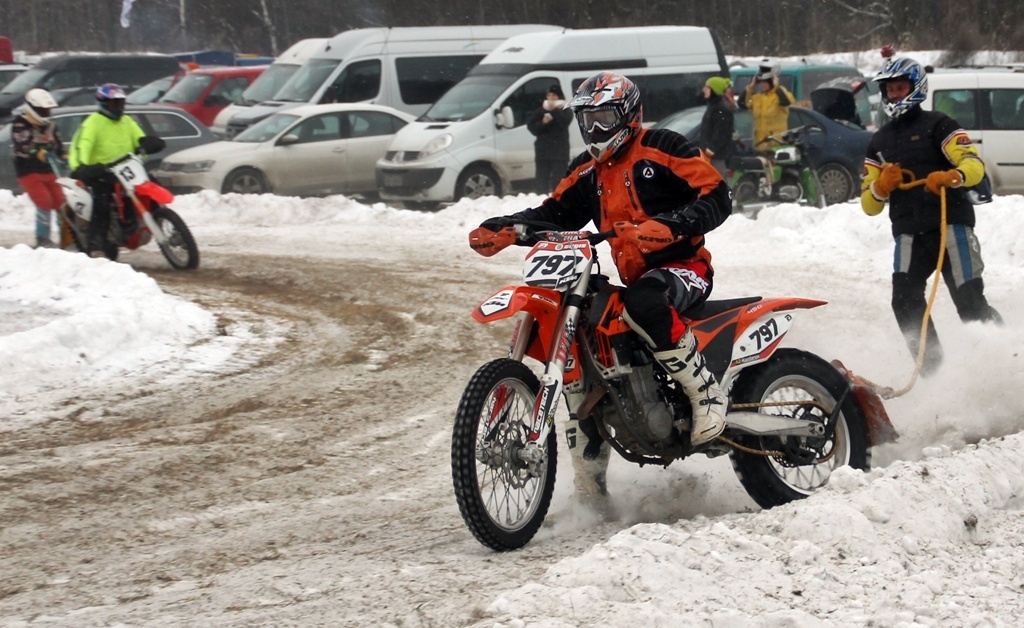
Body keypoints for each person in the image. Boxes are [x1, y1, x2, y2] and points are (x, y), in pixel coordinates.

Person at [469, 72, 733, 504]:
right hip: (635, 276)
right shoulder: (586, 171)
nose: (593, 130)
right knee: (587, 336)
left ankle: (707, 393)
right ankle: (590, 484)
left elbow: (717, 195)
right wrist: (506, 228)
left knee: (644, 299)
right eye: (586, 120)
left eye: (603, 118)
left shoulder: (664, 148)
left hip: (685, 267)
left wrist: (668, 227)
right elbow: (553, 212)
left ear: (629, 115)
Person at [861, 56, 1001, 376]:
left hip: (950, 225)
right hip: (909, 233)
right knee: (904, 301)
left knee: (969, 302)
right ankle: (934, 374)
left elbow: (973, 165)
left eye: (900, 87)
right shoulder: (878, 142)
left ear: (915, 87)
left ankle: (1005, 358)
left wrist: (952, 176)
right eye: (890, 89)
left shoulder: (940, 124)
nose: (895, 95)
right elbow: (869, 205)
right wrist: (881, 187)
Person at [68, 83, 164, 257]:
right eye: (114, 104)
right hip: (101, 171)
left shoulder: (127, 121)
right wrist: (83, 167)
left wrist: (149, 142)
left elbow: (139, 137)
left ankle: (161, 218)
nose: (119, 108)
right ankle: (95, 245)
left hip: (128, 167)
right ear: (104, 104)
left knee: (153, 183)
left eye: (121, 103)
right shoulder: (93, 123)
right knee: (102, 202)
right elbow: (84, 147)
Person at [10, 88, 65, 248]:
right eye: (42, 110)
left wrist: (62, 154)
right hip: (27, 169)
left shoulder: (51, 124)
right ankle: (42, 238)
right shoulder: (21, 123)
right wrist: (36, 151)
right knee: (44, 201)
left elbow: (57, 141)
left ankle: (68, 236)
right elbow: (21, 145)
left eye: (47, 110)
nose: (46, 113)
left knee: (60, 201)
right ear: (32, 109)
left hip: (48, 168)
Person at [526, 84, 573, 194]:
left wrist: (554, 111)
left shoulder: (565, 109)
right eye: (549, 95)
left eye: (554, 95)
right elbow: (532, 127)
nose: (551, 98)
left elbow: (564, 122)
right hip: (543, 151)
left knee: (559, 180)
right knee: (541, 180)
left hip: (560, 151)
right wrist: (543, 123)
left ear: (559, 96)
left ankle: (558, 202)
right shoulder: (541, 110)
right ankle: (540, 201)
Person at [739, 59, 795, 150]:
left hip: (776, 145)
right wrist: (751, 86)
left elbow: (786, 101)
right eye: (761, 82)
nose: (762, 85)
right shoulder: (757, 98)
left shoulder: (780, 94)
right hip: (759, 145)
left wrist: (776, 85)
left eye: (765, 82)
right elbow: (741, 104)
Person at [697, 76, 736, 177]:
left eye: (707, 87)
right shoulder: (713, 107)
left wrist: (711, 149)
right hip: (710, 157)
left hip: (718, 157)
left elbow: (721, 133)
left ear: (714, 90)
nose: (704, 90)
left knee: (718, 183)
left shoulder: (720, 109)